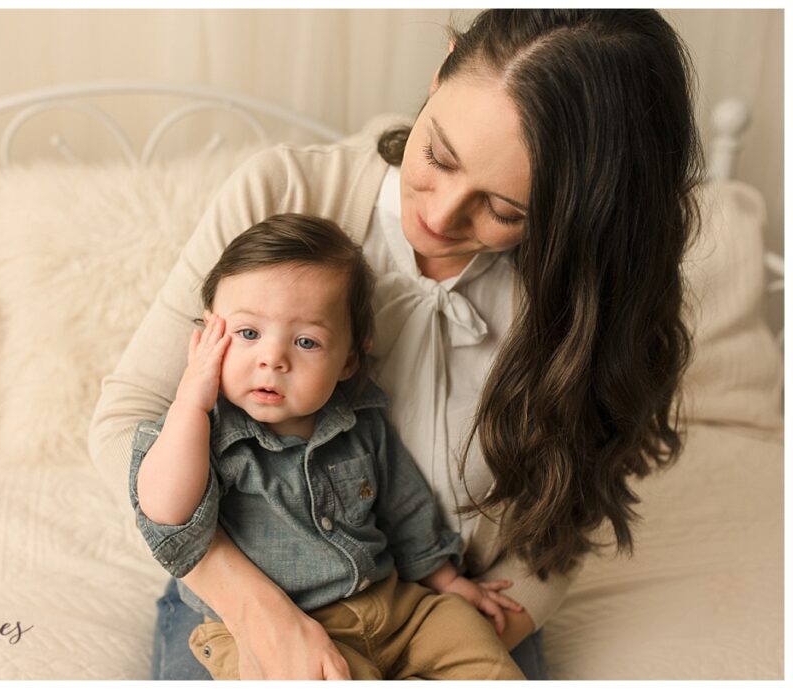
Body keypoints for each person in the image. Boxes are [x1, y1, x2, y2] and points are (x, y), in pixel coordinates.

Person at [89, 9, 702, 680]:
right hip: (246, 604)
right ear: (439, 73)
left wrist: (494, 622)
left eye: (503, 210)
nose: (439, 216)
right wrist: (258, 610)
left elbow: (572, 506)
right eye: (438, 155)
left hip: (443, 610)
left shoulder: (582, 302)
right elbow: (127, 422)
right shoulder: (283, 194)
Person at [129, 214, 525, 680]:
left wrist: (446, 580)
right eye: (248, 333)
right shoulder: (204, 431)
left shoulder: (360, 418)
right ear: (210, 335)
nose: (272, 358)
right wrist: (190, 406)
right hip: (274, 632)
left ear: (349, 360)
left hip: (393, 606)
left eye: (306, 341)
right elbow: (166, 512)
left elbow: (405, 506)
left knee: (470, 637)